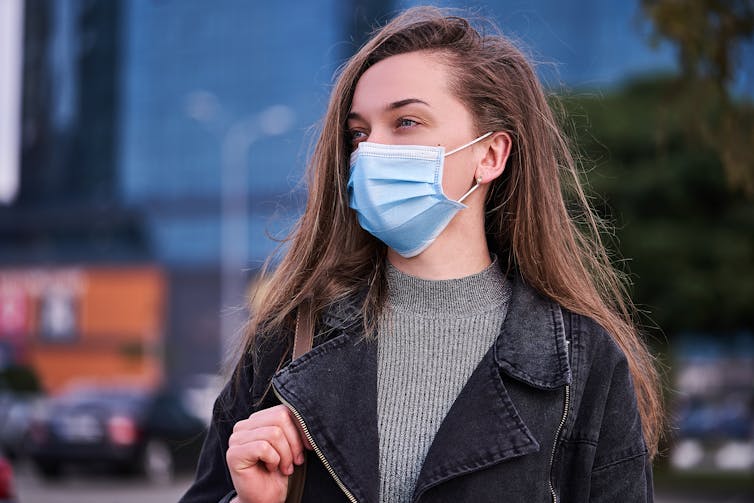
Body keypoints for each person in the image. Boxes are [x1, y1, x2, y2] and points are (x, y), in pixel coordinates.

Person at [180, 6, 662, 503]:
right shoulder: (285, 340)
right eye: (359, 133)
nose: (370, 152)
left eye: (406, 121)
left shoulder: (582, 363)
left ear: (490, 154)